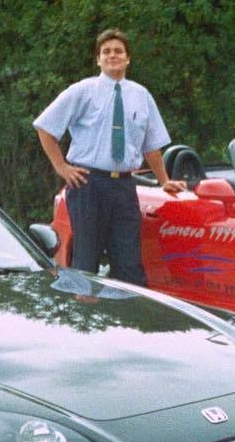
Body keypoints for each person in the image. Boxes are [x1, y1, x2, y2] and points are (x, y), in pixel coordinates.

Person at [34, 28, 185, 286]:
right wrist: (61, 167)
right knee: (86, 263)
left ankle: (128, 311)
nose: (112, 55)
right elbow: (45, 127)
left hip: (124, 187)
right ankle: (85, 309)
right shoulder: (82, 91)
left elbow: (151, 145)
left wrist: (164, 181)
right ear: (98, 59)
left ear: (128, 59)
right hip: (88, 184)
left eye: (118, 51)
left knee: (129, 265)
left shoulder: (141, 96)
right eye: (106, 52)